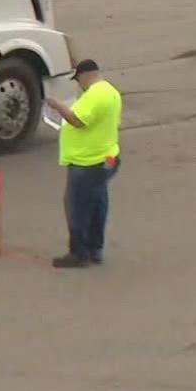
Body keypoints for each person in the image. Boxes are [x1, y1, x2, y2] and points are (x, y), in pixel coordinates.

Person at [46, 59, 123, 268]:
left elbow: (77, 120)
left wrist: (57, 106)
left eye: (78, 79)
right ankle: (94, 248)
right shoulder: (111, 91)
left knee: (77, 207)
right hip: (107, 157)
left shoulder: (95, 95)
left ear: (85, 75)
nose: (79, 84)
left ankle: (78, 254)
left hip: (88, 162)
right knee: (98, 203)